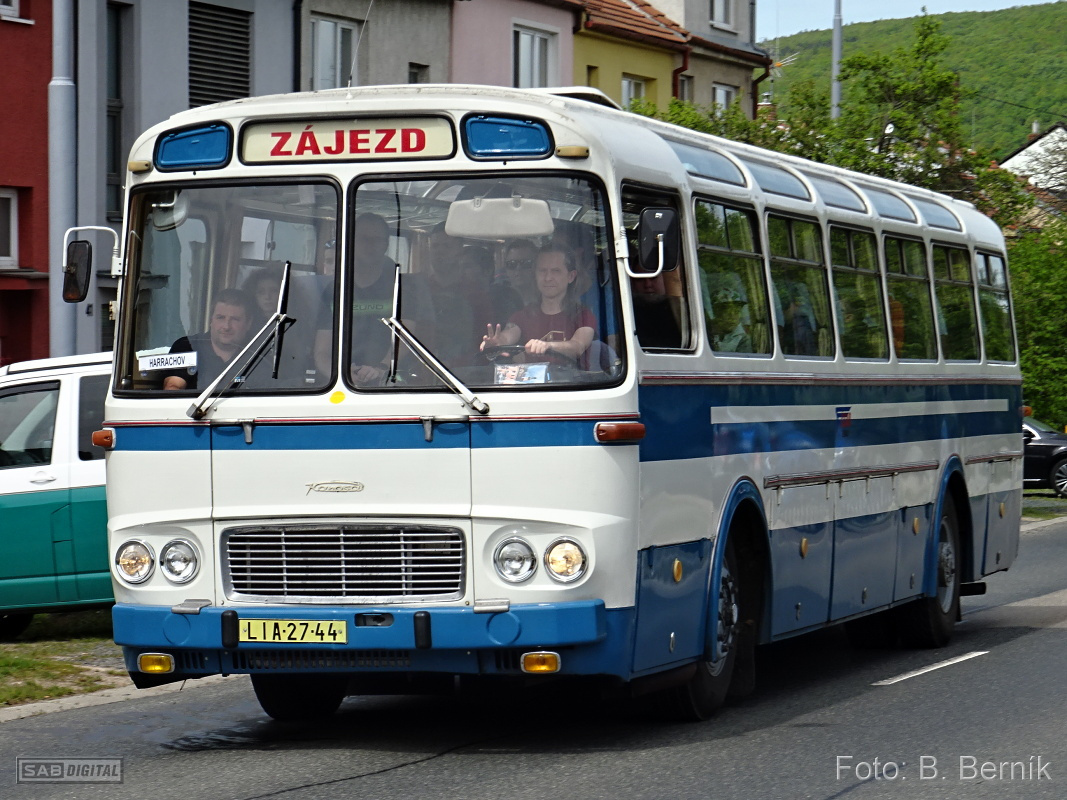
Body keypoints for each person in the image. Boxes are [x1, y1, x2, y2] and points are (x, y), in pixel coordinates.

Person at [314, 212, 432, 385]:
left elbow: (405, 338)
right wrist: (340, 374)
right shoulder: (335, 290)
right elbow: (322, 351)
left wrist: (381, 368)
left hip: (391, 381)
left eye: (377, 240)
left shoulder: (403, 288)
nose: (370, 246)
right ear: (351, 242)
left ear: (386, 245)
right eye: (364, 239)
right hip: (340, 383)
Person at [480, 244, 595, 366]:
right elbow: (508, 335)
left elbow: (578, 346)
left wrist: (547, 346)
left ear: (571, 276)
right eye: (542, 271)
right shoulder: (523, 316)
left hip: (573, 378)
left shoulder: (583, 315)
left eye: (556, 271)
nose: (548, 278)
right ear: (535, 275)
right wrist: (498, 342)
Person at [162, 288, 255, 390]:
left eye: (235, 319)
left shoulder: (258, 354)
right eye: (220, 317)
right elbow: (173, 387)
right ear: (211, 319)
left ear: (248, 324)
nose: (226, 326)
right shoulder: (188, 347)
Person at [709, 288, 752, 353]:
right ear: (716, 312)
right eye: (727, 311)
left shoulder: (743, 340)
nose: (733, 316)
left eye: (737, 311)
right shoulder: (706, 333)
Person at [499, 239, 539, 306]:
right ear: (506, 268)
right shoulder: (498, 303)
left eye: (526, 263)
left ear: (537, 265)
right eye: (512, 264)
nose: (518, 269)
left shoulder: (548, 299)